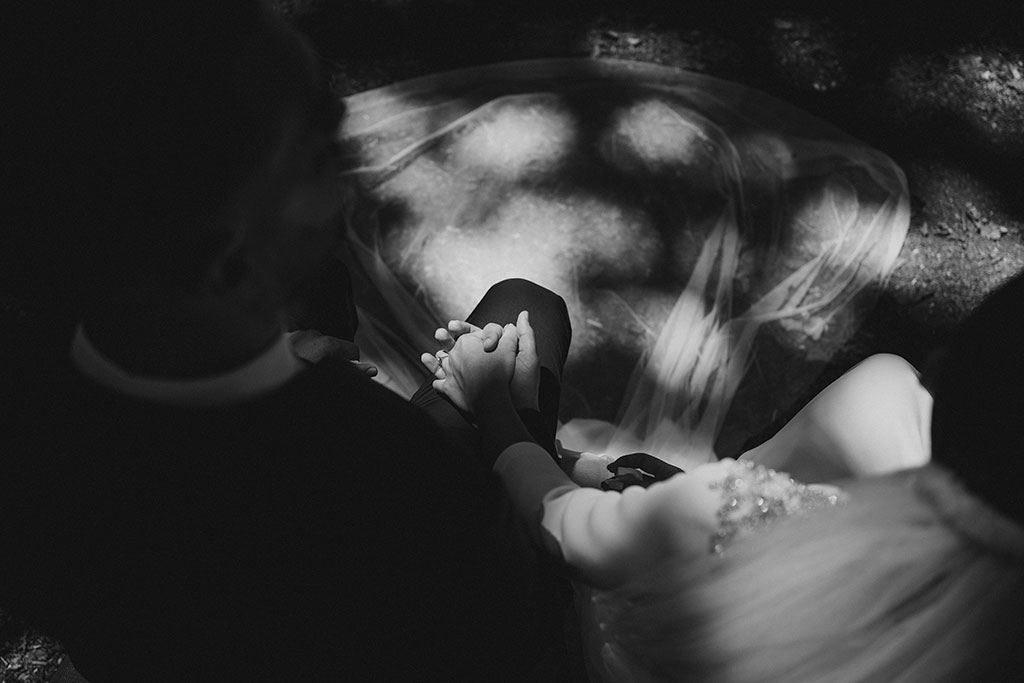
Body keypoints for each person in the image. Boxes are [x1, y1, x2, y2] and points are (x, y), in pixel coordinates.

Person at [1, 2, 577, 681]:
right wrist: (512, 421)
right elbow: (525, 619)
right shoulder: (394, 468)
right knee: (528, 313)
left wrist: (283, 354)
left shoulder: (28, 408)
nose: (346, 171)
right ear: (228, 265)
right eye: (315, 155)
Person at [428, 270, 1024, 682]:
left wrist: (501, 408)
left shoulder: (755, 513)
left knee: (521, 305)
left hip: (597, 651)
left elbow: (566, 530)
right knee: (884, 385)